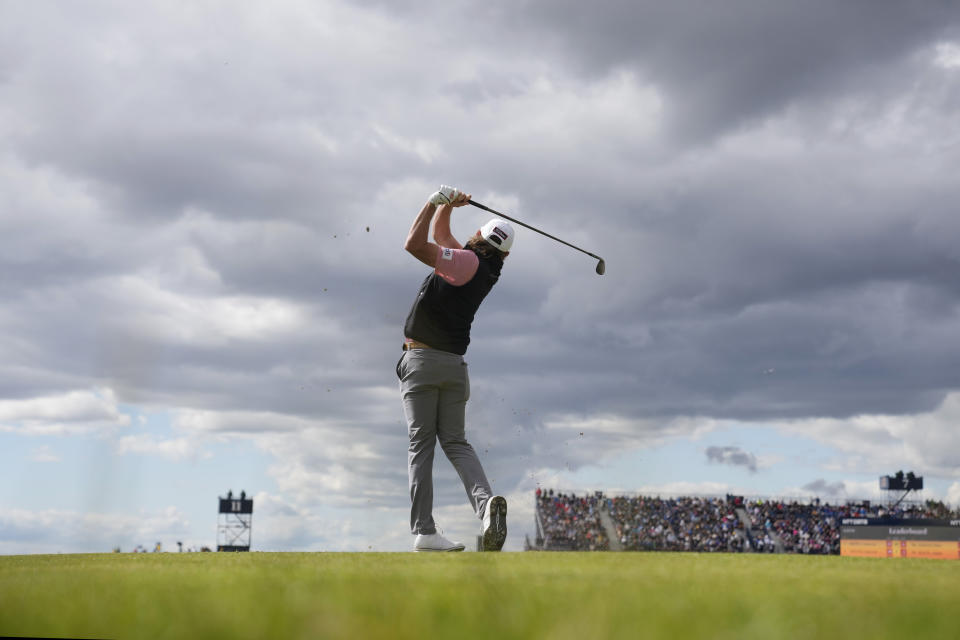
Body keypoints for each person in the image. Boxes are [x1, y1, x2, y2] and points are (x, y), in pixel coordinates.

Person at [397, 185, 513, 552]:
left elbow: (415, 245)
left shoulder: (465, 262)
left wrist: (432, 202)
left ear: (479, 237)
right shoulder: (483, 269)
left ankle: (424, 531)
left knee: (421, 446)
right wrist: (449, 206)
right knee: (456, 442)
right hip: (454, 367)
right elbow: (441, 237)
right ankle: (486, 508)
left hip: (423, 362)